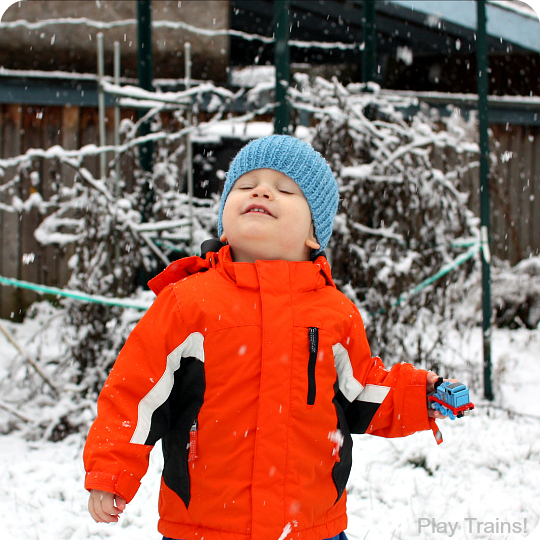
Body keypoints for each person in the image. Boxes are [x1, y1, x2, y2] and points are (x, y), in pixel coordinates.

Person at [84, 135, 448, 540]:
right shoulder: (188, 303)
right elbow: (134, 393)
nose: (261, 190)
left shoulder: (334, 312)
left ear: (315, 235)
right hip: (205, 526)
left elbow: (363, 390)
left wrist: (421, 396)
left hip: (310, 527)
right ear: (224, 223)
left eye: (285, 189)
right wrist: (110, 470)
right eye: (245, 185)